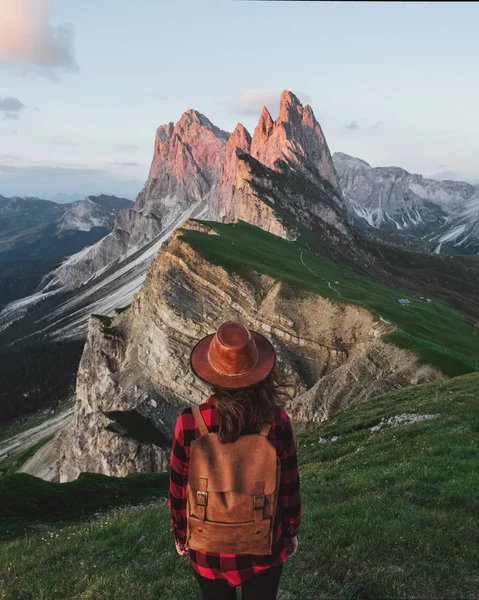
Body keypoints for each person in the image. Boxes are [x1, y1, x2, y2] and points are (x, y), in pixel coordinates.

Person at [168, 320, 302, 600]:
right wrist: (290, 532)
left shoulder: (189, 423)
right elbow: (289, 486)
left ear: (211, 374)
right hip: (263, 543)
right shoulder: (277, 423)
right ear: (261, 373)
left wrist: (181, 534)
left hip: (206, 548)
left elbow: (179, 488)